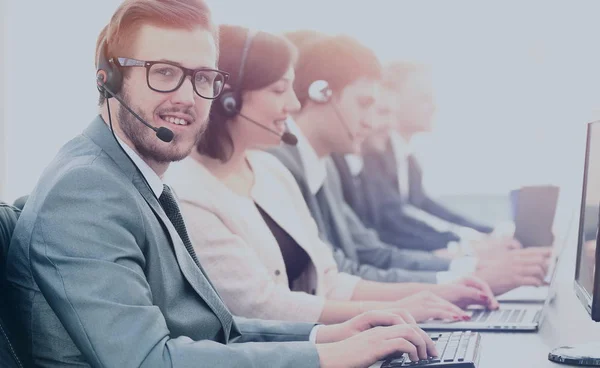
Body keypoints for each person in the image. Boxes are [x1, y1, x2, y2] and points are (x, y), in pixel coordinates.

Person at [4, 2, 437, 367]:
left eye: (203, 78)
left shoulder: (130, 177)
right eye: (165, 72)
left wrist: (326, 335)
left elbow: (214, 327)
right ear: (109, 80)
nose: (188, 97)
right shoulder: (86, 191)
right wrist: (326, 359)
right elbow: (150, 361)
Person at [167, 25, 496, 327]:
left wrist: (428, 295)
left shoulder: (270, 171)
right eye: (280, 90)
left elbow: (331, 278)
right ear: (228, 98)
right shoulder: (188, 189)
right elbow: (261, 306)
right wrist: (392, 312)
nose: (294, 104)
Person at [269, 34, 551, 296]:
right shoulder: (280, 166)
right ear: (320, 93)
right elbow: (339, 275)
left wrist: (468, 268)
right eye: (364, 104)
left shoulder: (325, 167)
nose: (372, 123)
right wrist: (464, 279)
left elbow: (373, 253)